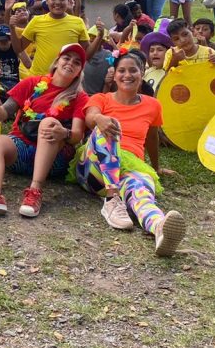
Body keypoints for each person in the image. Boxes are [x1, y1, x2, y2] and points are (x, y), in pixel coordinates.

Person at [78, 50, 185, 257]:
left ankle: (159, 228)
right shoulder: (101, 99)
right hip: (94, 169)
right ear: (114, 74)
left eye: (133, 70)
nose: (127, 75)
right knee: (110, 126)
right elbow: (90, 117)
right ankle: (112, 200)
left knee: (141, 194)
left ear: (142, 73)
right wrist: (99, 119)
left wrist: (155, 168)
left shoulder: (152, 105)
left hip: (128, 169)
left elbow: (151, 138)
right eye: (122, 71)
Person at [0, 43, 89, 218]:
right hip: (22, 152)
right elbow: (1, 114)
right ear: (57, 62)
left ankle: (35, 191)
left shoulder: (80, 97)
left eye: (77, 62)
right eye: (67, 58)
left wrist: (64, 133)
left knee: (48, 123)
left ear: (79, 71)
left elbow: (77, 135)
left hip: (54, 159)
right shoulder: (32, 83)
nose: (71, 63)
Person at [11, 0, 90, 77]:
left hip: (65, 79)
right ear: (47, 0)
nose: (57, 2)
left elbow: (87, 53)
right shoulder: (36, 21)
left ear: (68, 0)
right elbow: (19, 48)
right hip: (39, 79)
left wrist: (100, 36)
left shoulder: (78, 22)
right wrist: (12, 27)